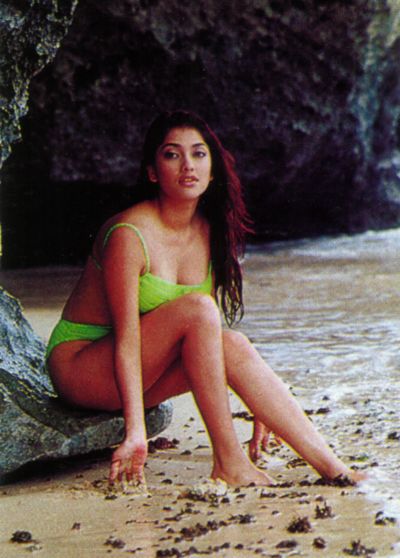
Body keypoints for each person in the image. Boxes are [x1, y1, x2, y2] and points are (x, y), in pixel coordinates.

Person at [46, 110, 364, 487]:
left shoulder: (208, 232)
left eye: (198, 154)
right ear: (152, 172)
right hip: (83, 367)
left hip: (141, 365)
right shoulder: (129, 235)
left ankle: (333, 468)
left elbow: (207, 341)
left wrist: (257, 398)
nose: (188, 165)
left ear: (212, 172)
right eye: (172, 154)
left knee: (233, 343)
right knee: (198, 310)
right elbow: (129, 339)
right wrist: (135, 431)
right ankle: (229, 462)